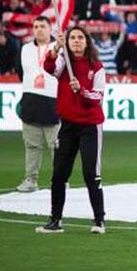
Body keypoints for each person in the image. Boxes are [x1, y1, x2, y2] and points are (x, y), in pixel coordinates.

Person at [37, 25, 108, 234]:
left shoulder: (97, 67)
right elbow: (49, 69)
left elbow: (99, 97)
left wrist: (82, 91)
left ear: (87, 42)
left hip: (90, 126)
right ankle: (55, 220)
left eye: (80, 37)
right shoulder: (63, 62)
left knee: (90, 174)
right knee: (59, 174)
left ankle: (99, 221)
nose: (76, 41)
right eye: (72, 38)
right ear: (67, 42)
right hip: (67, 125)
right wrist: (55, 47)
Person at [16, 17, 61, 191]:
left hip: (53, 100)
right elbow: (21, 72)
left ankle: (60, 180)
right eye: (36, 27)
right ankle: (31, 179)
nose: (39, 30)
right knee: (31, 145)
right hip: (30, 100)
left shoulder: (59, 48)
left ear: (50, 29)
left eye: (43, 26)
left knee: (56, 146)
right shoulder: (25, 49)